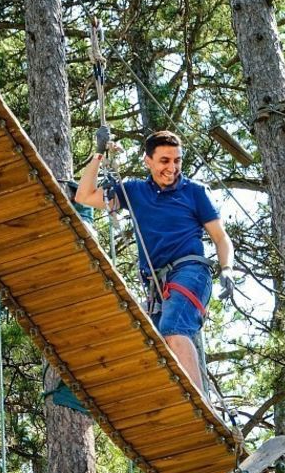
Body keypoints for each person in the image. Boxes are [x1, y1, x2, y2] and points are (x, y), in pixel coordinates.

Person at [75, 129, 235, 390]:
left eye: (177, 160)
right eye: (164, 161)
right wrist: (98, 155)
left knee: (173, 329)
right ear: (147, 161)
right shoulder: (134, 192)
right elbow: (84, 196)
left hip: (190, 270)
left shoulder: (193, 192)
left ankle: (198, 401)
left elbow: (220, 237)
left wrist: (227, 269)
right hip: (156, 283)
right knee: (152, 346)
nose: (172, 168)